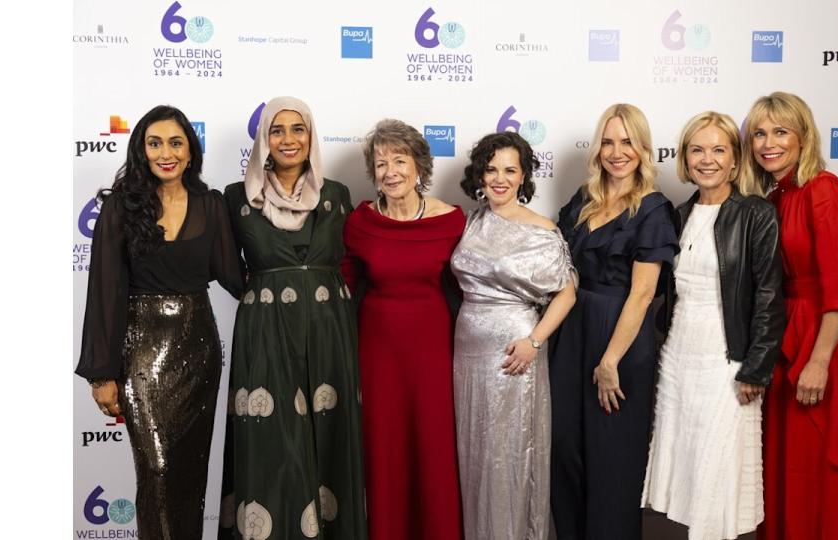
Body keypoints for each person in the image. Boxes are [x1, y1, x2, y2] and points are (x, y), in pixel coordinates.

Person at [76, 105, 244, 539]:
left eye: (175, 142)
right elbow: (103, 293)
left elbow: (236, 277)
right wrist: (101, 374)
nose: (165, 152)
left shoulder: (212, 204)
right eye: (155, 143)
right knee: (157, 471)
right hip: (142, 353)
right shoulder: (119, 208)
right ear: (141, 150)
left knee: (190, 475)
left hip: (198, 351)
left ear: (190, 151)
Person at [220, 96, 367, 539]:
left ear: (311, 137)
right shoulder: (235, 198)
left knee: (329, 437)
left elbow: (363, 259)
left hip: (328, 330)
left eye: (297, 129)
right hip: (265, 333)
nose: (288, 140)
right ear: (264, 139)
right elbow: (227, 269)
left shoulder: (337, 195)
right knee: (274, 443)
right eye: (277, 130)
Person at [740, 91, 838, 540]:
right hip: (788, 339)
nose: (767, 143)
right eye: (759, 133)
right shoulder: (778, 196)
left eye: (780, 131)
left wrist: (818, 361)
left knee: (821, 467)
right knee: (791, 468)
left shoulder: (824, 190)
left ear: (803, 136)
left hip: (825, 344)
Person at [641, 111, 785, 540]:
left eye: (719, 150)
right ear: (685, 158)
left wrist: (756, 367)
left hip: (728, 361)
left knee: (719, 472)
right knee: (688, 471)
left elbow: (769, 296)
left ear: (736, 160)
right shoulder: (678, 214)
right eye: (697, 150)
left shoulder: (755, 214)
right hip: (679, 358)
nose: (708, 159)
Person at [550, 103, 679, 539]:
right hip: (571, 333)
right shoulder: (584, 200)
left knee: (611, 459)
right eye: (608, 141)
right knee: (565, 448)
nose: (616, 151)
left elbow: (643, 294)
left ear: (643, 148)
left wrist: (610, 362)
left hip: (619, 339)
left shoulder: (654, 209)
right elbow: (556, 262)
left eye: (627, 141)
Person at [342, 119, 465, 540]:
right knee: (384, 449)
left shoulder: (451, 221)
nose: (390, 171)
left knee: (433, 448)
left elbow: (475, 285)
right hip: (376, 351)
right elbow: (339, 285)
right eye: (380, 163)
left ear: (419, 167)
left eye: (399, 160)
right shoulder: (360, 221)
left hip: (433, 349)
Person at [451, 132, 578, 540]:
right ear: (479, 175)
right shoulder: (472, 220)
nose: (499, 179)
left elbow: (567, 293)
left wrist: (534, 342)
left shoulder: (542, 229)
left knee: (510, 455)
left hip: (515, 352)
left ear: (524, 177)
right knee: (477, 457)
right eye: (491, 170)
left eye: (510, 170)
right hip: (468, 352)